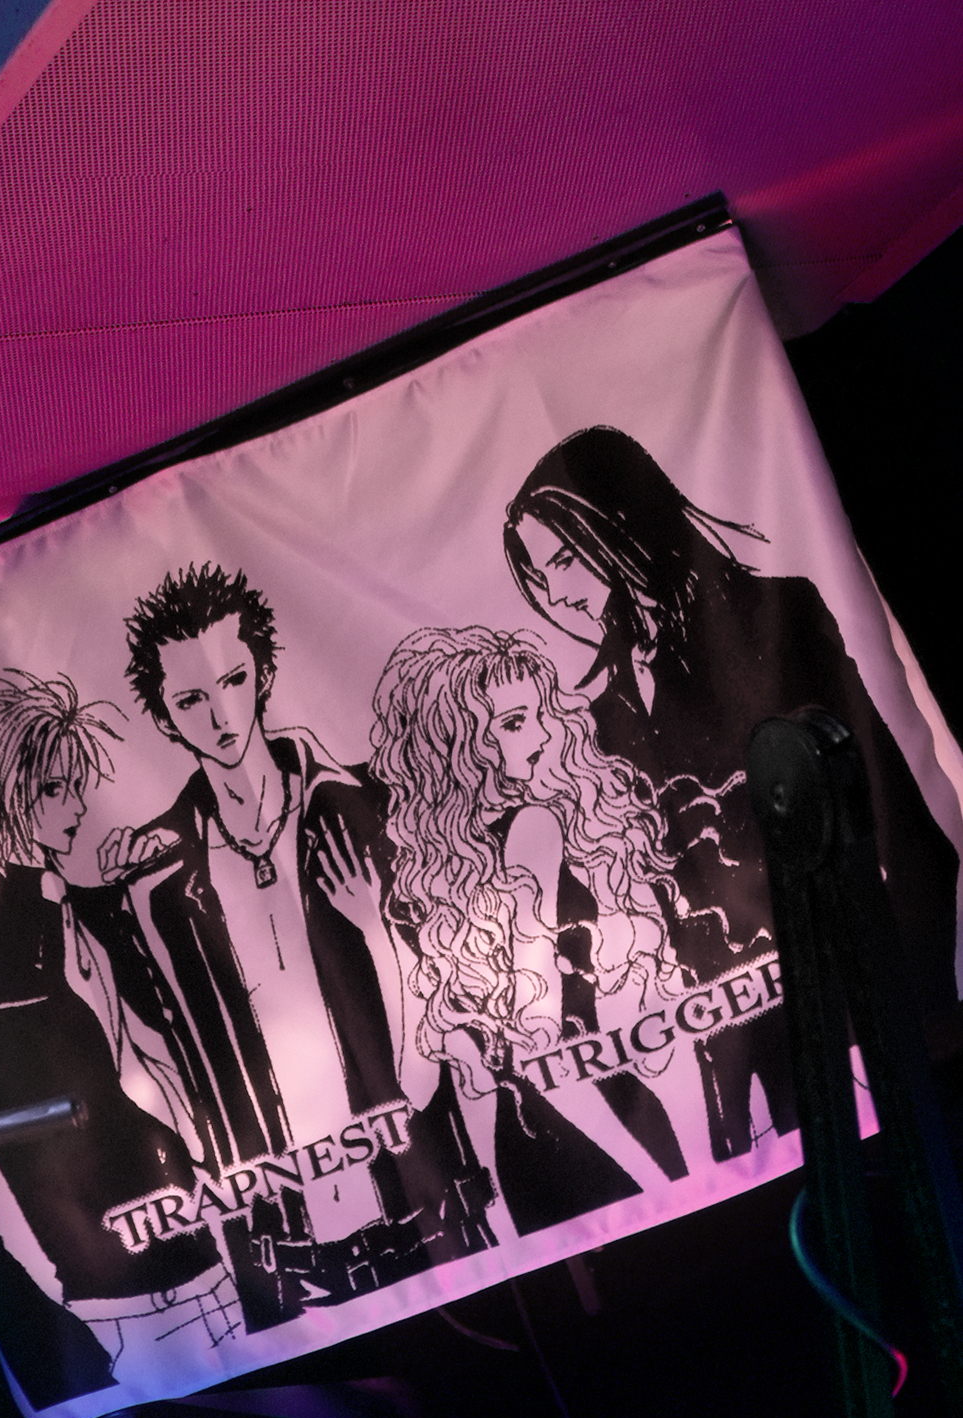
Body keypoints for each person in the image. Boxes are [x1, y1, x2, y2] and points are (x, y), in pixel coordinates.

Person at [504, 425, 960, 1158]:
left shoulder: (775, 616)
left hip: (875, 1009)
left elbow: (894, 806)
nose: (556, 593)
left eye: (564, 558)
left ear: (622, 526)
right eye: (538, 574)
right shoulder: (596, 713)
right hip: (747, 1061)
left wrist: (917, 1009)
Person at [75, 564, 496, 1328]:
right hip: (284, 1251)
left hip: (429, 1201)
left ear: (263, 673)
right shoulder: (154, 882)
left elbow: (450, 981)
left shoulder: (367, 804)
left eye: (233, 680)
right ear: (164, 719)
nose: (220, 715)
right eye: (190, 700)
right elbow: (149, 1051)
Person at [0, 669, 233, 1414]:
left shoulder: (85, 913)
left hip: (196, 1242)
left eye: (76, 786)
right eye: (54, 788)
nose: (76, 807)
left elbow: (148, 1062)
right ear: (0, 798)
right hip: (116, 1289)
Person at [369, 624, 694, 1238]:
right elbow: (540, 1031)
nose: (542, 735)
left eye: (538, 714)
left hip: (531, 1149)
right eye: (514, 723)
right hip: (602, 1123)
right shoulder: (535, 825)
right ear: (462, 743)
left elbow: (446, 1074)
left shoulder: (441, 874)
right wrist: (661, 1179)